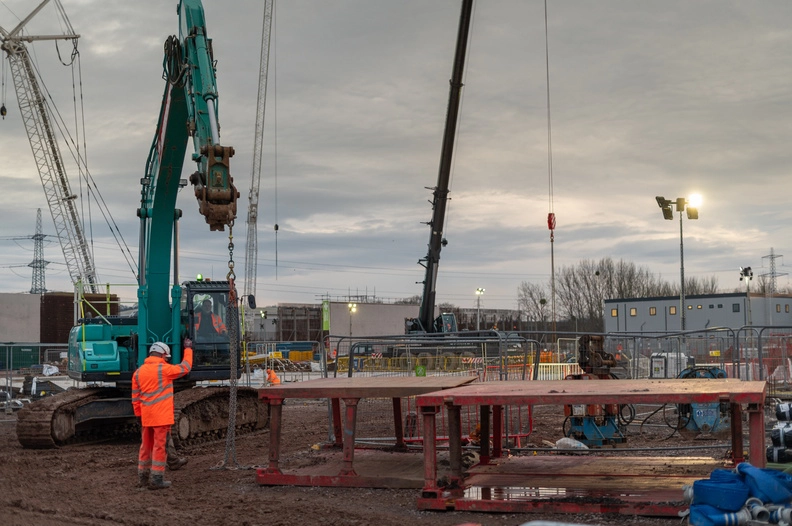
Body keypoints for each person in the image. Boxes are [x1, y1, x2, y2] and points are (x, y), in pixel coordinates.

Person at [132, 339, 193, 490]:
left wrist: (139, 415)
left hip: (146, 417)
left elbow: (135, 397)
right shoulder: (164, 369)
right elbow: (185, 367)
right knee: (160, 447)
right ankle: (157, 479)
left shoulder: (138, 373)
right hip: (161, 417)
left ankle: (143, 478)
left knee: (145, 446)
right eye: (167, 357)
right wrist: (188, 349)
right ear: (163, 355)